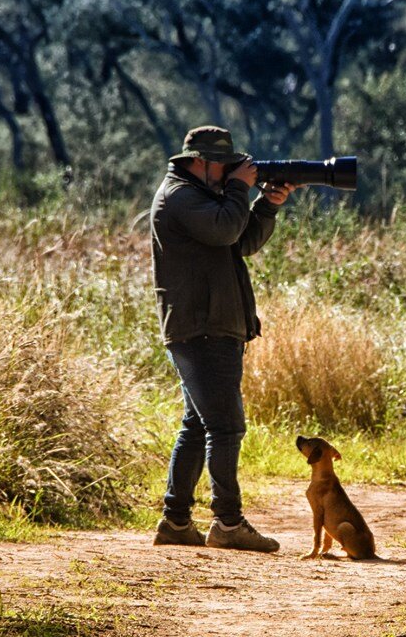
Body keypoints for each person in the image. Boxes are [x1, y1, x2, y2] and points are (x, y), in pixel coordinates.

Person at [149, 125, 297, 551]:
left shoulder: (203, 196)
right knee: (225, 426)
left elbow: (241, 240)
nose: (231, 172)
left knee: (198, 425)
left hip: (209, 325)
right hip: (203, 328)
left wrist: (265, 206)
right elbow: (225, 231)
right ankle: (228, 524)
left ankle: (176, 523)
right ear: (201, 161)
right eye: (225, 166)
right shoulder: (181, 196)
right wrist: (238, 189)